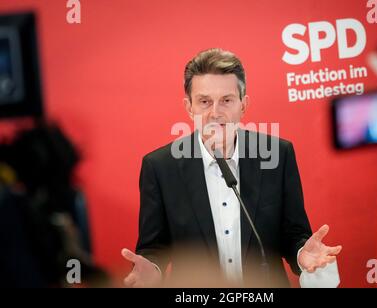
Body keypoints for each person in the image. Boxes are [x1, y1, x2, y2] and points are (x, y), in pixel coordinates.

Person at [121, 48, 342, 287]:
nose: (215, 113)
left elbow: (293, 234)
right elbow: (154, 248)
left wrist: (301, 254)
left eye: (226, 100)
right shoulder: (160, 167)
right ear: (189, 107)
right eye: (204, 101)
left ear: (243, 105)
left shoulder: (278, 154)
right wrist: (153, 270)